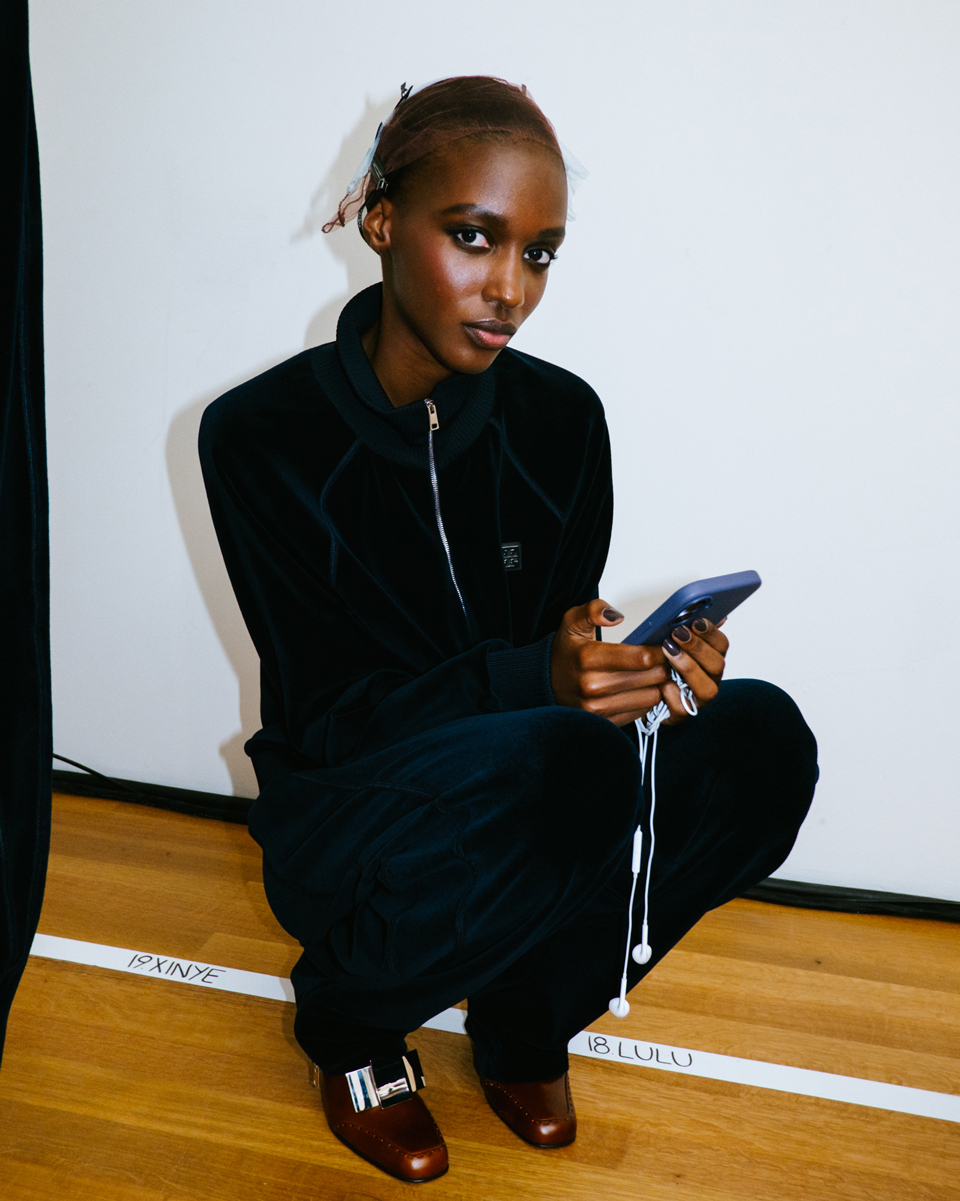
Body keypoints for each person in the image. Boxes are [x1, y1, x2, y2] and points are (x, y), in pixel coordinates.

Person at [199, 76, 818, 1184]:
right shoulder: (261, 436)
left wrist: (639, 673)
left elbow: (559, 646)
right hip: (345, 811)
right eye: (474, 237)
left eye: (539, 254)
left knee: (763, 742)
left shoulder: (563, 420)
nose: (509, 289)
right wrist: (537, 679)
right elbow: (332, 717)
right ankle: (349, 1023)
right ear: (381, 220)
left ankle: (526, 1017)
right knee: (559, 765)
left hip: (530, 781)